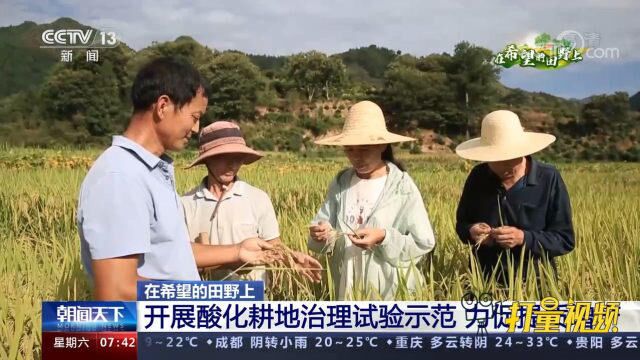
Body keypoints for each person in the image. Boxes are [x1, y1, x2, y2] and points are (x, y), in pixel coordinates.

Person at [77, 57, 275, 300]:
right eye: (194, 116)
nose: (195, 128)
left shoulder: (149, 173)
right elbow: (117, 290)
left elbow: (171, 254)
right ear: (163, 106)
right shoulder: (120, 177)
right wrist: (210, 299)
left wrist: (238, 251)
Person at [308, 100, 436, 300]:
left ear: (382, 145)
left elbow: (423, 242)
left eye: (364, 149)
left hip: (389, 290)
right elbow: (324, 229)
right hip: (346, 283)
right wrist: (321, 234)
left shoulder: (401, 186)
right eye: (350, 150)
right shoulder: (341, 183)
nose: (357, 157)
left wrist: (383, 237)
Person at [181, 121, 322, 283]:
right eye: (223, 157)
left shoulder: (257, 198)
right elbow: (179, 256)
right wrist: (232, 258)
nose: (232, 164)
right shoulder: (186, 204)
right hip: (205, 297)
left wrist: (292, 258)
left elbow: (273, 246)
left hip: (252, 295)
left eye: (237, 158)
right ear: (207, 160)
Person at [455, 110, 575, 284]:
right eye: (494, 160)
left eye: (508, 160)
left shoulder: (548, 178)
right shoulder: (477, 176)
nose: (502, 166)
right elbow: (461, 225)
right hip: (483, 283)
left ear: (522, 152)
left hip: (535, 285)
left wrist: (523, 238)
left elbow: (564, 240)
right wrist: (472, 231)